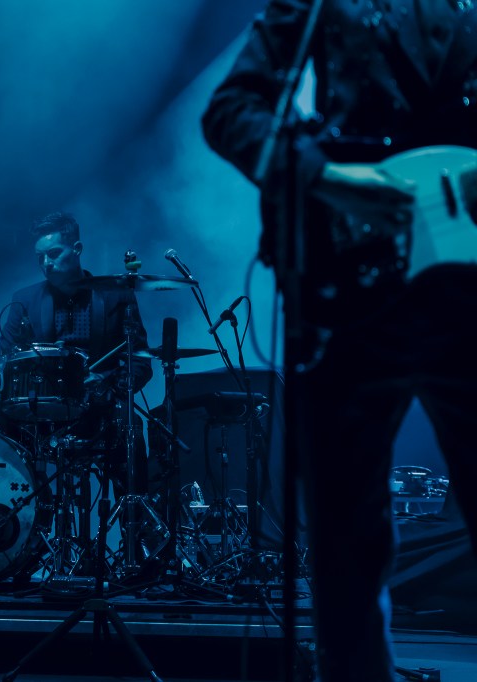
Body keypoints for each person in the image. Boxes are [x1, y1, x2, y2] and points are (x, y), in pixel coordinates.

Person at [202, 2, 477, 681]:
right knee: (346, 546)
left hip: (469, 299)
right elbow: (232, 109)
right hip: (350, 295)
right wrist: (325, 176)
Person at [0, 211, 154, 501]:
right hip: (41, 411)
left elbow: (140, 361)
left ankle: (138, 525)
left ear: (76, 249)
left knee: (132, 427)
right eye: (39, 257)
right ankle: (27, 515)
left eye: (53, 254)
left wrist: (107, 383)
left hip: (100, 407)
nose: (46, 264)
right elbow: (5, 358)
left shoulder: (117, 295)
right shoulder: (24, 300)